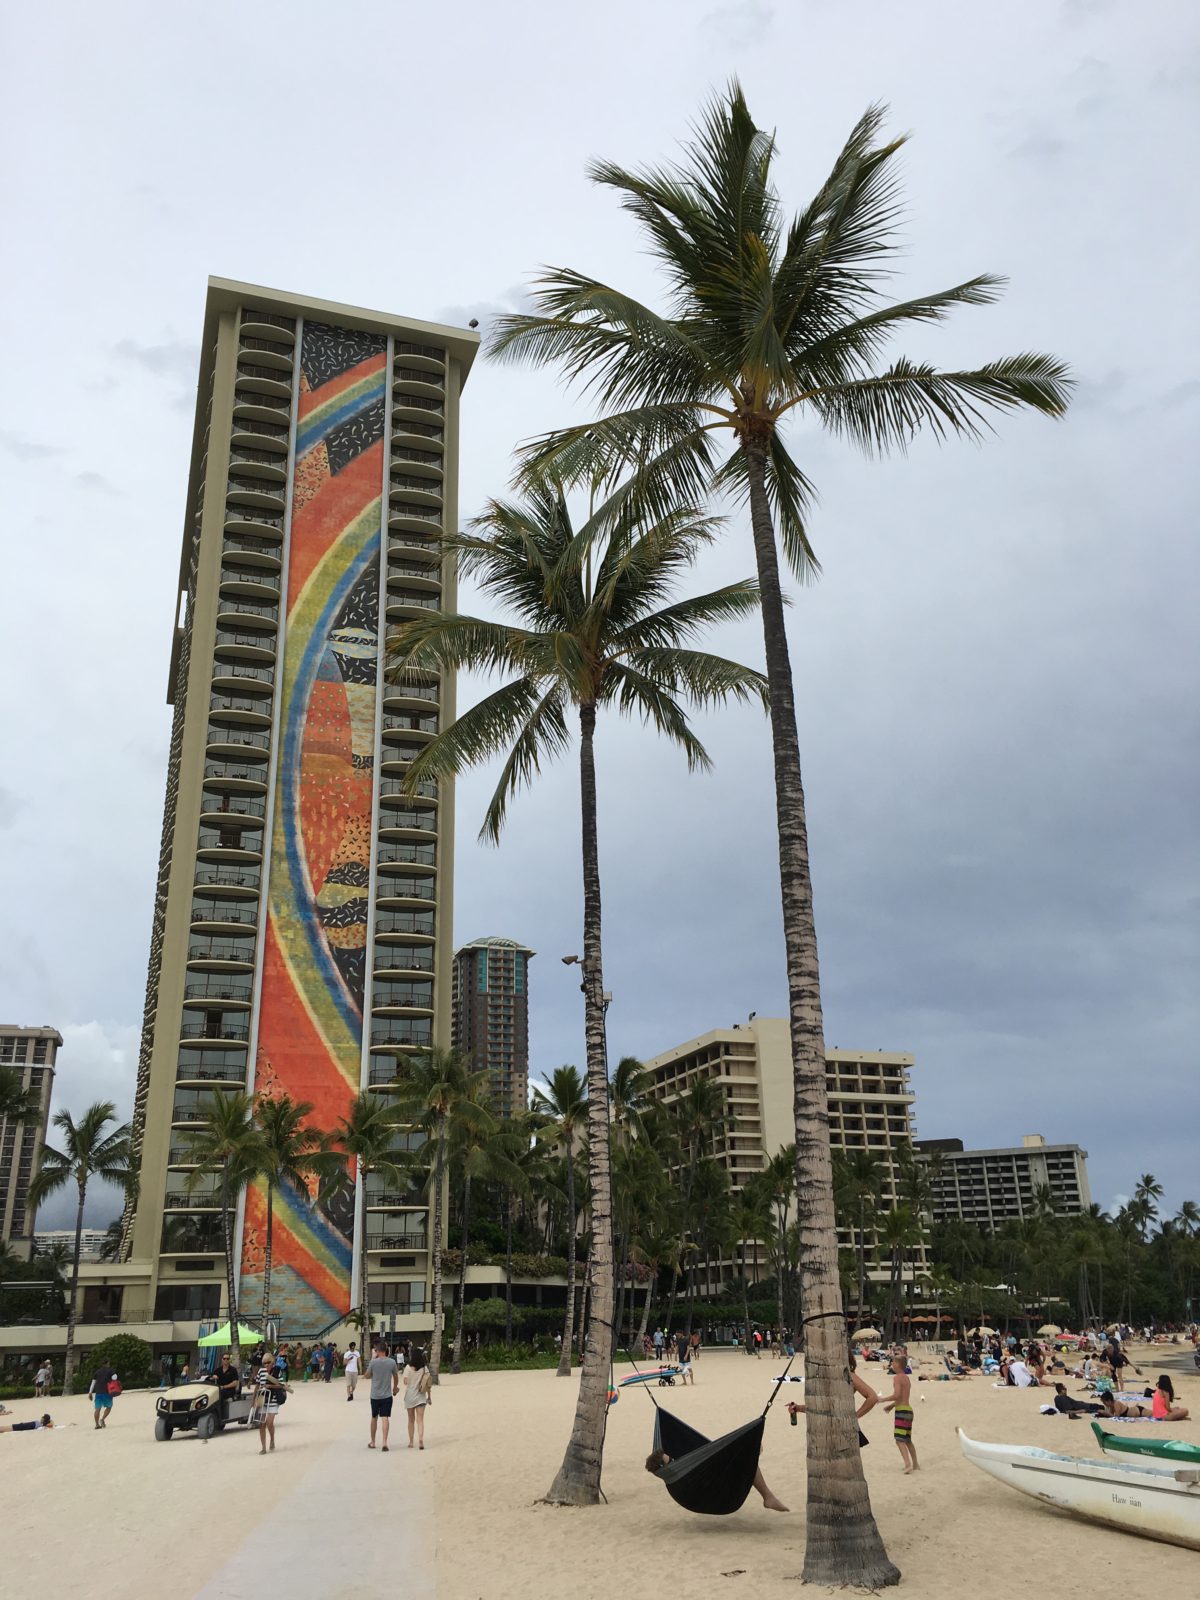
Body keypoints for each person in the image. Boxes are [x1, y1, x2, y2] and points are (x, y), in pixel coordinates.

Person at [646, 1448, 788, 1511]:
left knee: (746, 1456)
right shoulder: (680, 1483)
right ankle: (768, 1497)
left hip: (715, 1487)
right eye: (670, 1461)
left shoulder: (675, 1478)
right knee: (747, 1458)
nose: (674, 1461)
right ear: (664, 1470)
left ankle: (749, 1451)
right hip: (720, 1497)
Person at [882, 1352, 918, 1473]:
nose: (891, 1364)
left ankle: (908, 1464)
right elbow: (902, 1397)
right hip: (908, 1410)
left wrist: (883, 1399)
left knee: (899, 1440)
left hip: (901, 1412)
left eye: (893, 1362)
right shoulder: (906, 1378)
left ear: (898, 1364)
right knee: (907, 1439)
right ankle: (916, 1464)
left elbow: (897, 1395)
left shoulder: (897, 1378)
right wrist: (891, 1406)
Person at [367, 1338, 399, 1451]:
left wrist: (372, 1359)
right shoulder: (391, 1362)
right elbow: (396, 1376)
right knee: (385, 1417)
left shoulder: (373, 1362)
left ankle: (373, 1441)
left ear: (377, 1350)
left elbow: (367, 1375)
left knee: (374, 1417)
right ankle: (384, 1443)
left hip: (375, 1395)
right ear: (386, 1350)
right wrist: (395, 1388)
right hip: (387, 1395)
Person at [254, 1351, 287, 1453]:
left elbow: (282, 1385)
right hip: (263, 1398)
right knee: (262, 1423)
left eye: (268, 1362)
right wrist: (254, 1399)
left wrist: (270, 1386)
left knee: (269, 1422)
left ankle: (272, 1439)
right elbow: (257, 1385)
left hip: (273, 1399)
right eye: (265, 1363)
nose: (267, 1365)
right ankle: (263, 1447)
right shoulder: (261, 1372)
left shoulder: (277, 1371)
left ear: (272, 1362)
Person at [402, 1347, 433, 1449]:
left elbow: (405, 1382)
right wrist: (429, 1397)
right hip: (421, 1396)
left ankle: (411, 1442)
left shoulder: (407, 1368)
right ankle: (420, 1440)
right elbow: (428, 1384)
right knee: (420, 1420)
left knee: (411, 1420)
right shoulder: (425, 1368)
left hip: (410, 1396)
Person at [89, 1359, 118, 1430]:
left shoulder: (97, 1372)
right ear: (107, 1363)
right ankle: (102, 1419)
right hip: (107, 1392)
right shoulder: (110, 1370)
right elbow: (115, 1377)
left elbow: (93, 1382)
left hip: (98, 1392)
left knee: (97, 1409)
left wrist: (90, 1392)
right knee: (109, 1407)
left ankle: (97, 1425)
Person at [213, 1352, 241, 1416]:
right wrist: (213, 1376)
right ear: (222, 1360)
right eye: (224, 1358)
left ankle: (220, 1414)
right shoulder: (218, 1370)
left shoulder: (233, 1370)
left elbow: (235, 1383)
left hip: (229, 1390)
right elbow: (211, 1377)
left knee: (220, 1394)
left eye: (227, 1359)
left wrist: (224, 1387)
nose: (226, 1360)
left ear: (229, 1360)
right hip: (219, 1390)